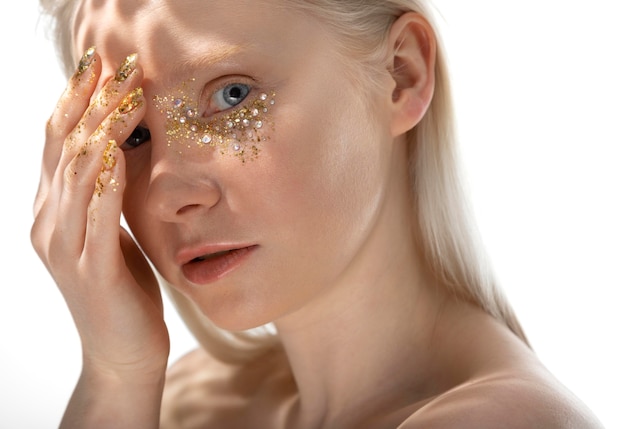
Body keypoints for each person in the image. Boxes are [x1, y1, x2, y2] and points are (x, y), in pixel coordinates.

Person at [31, 0, 604, 428]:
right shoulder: (189, 404)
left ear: (400, 75)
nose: (165, 196)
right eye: (133, 134)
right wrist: (115, 370)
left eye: (232, 96)